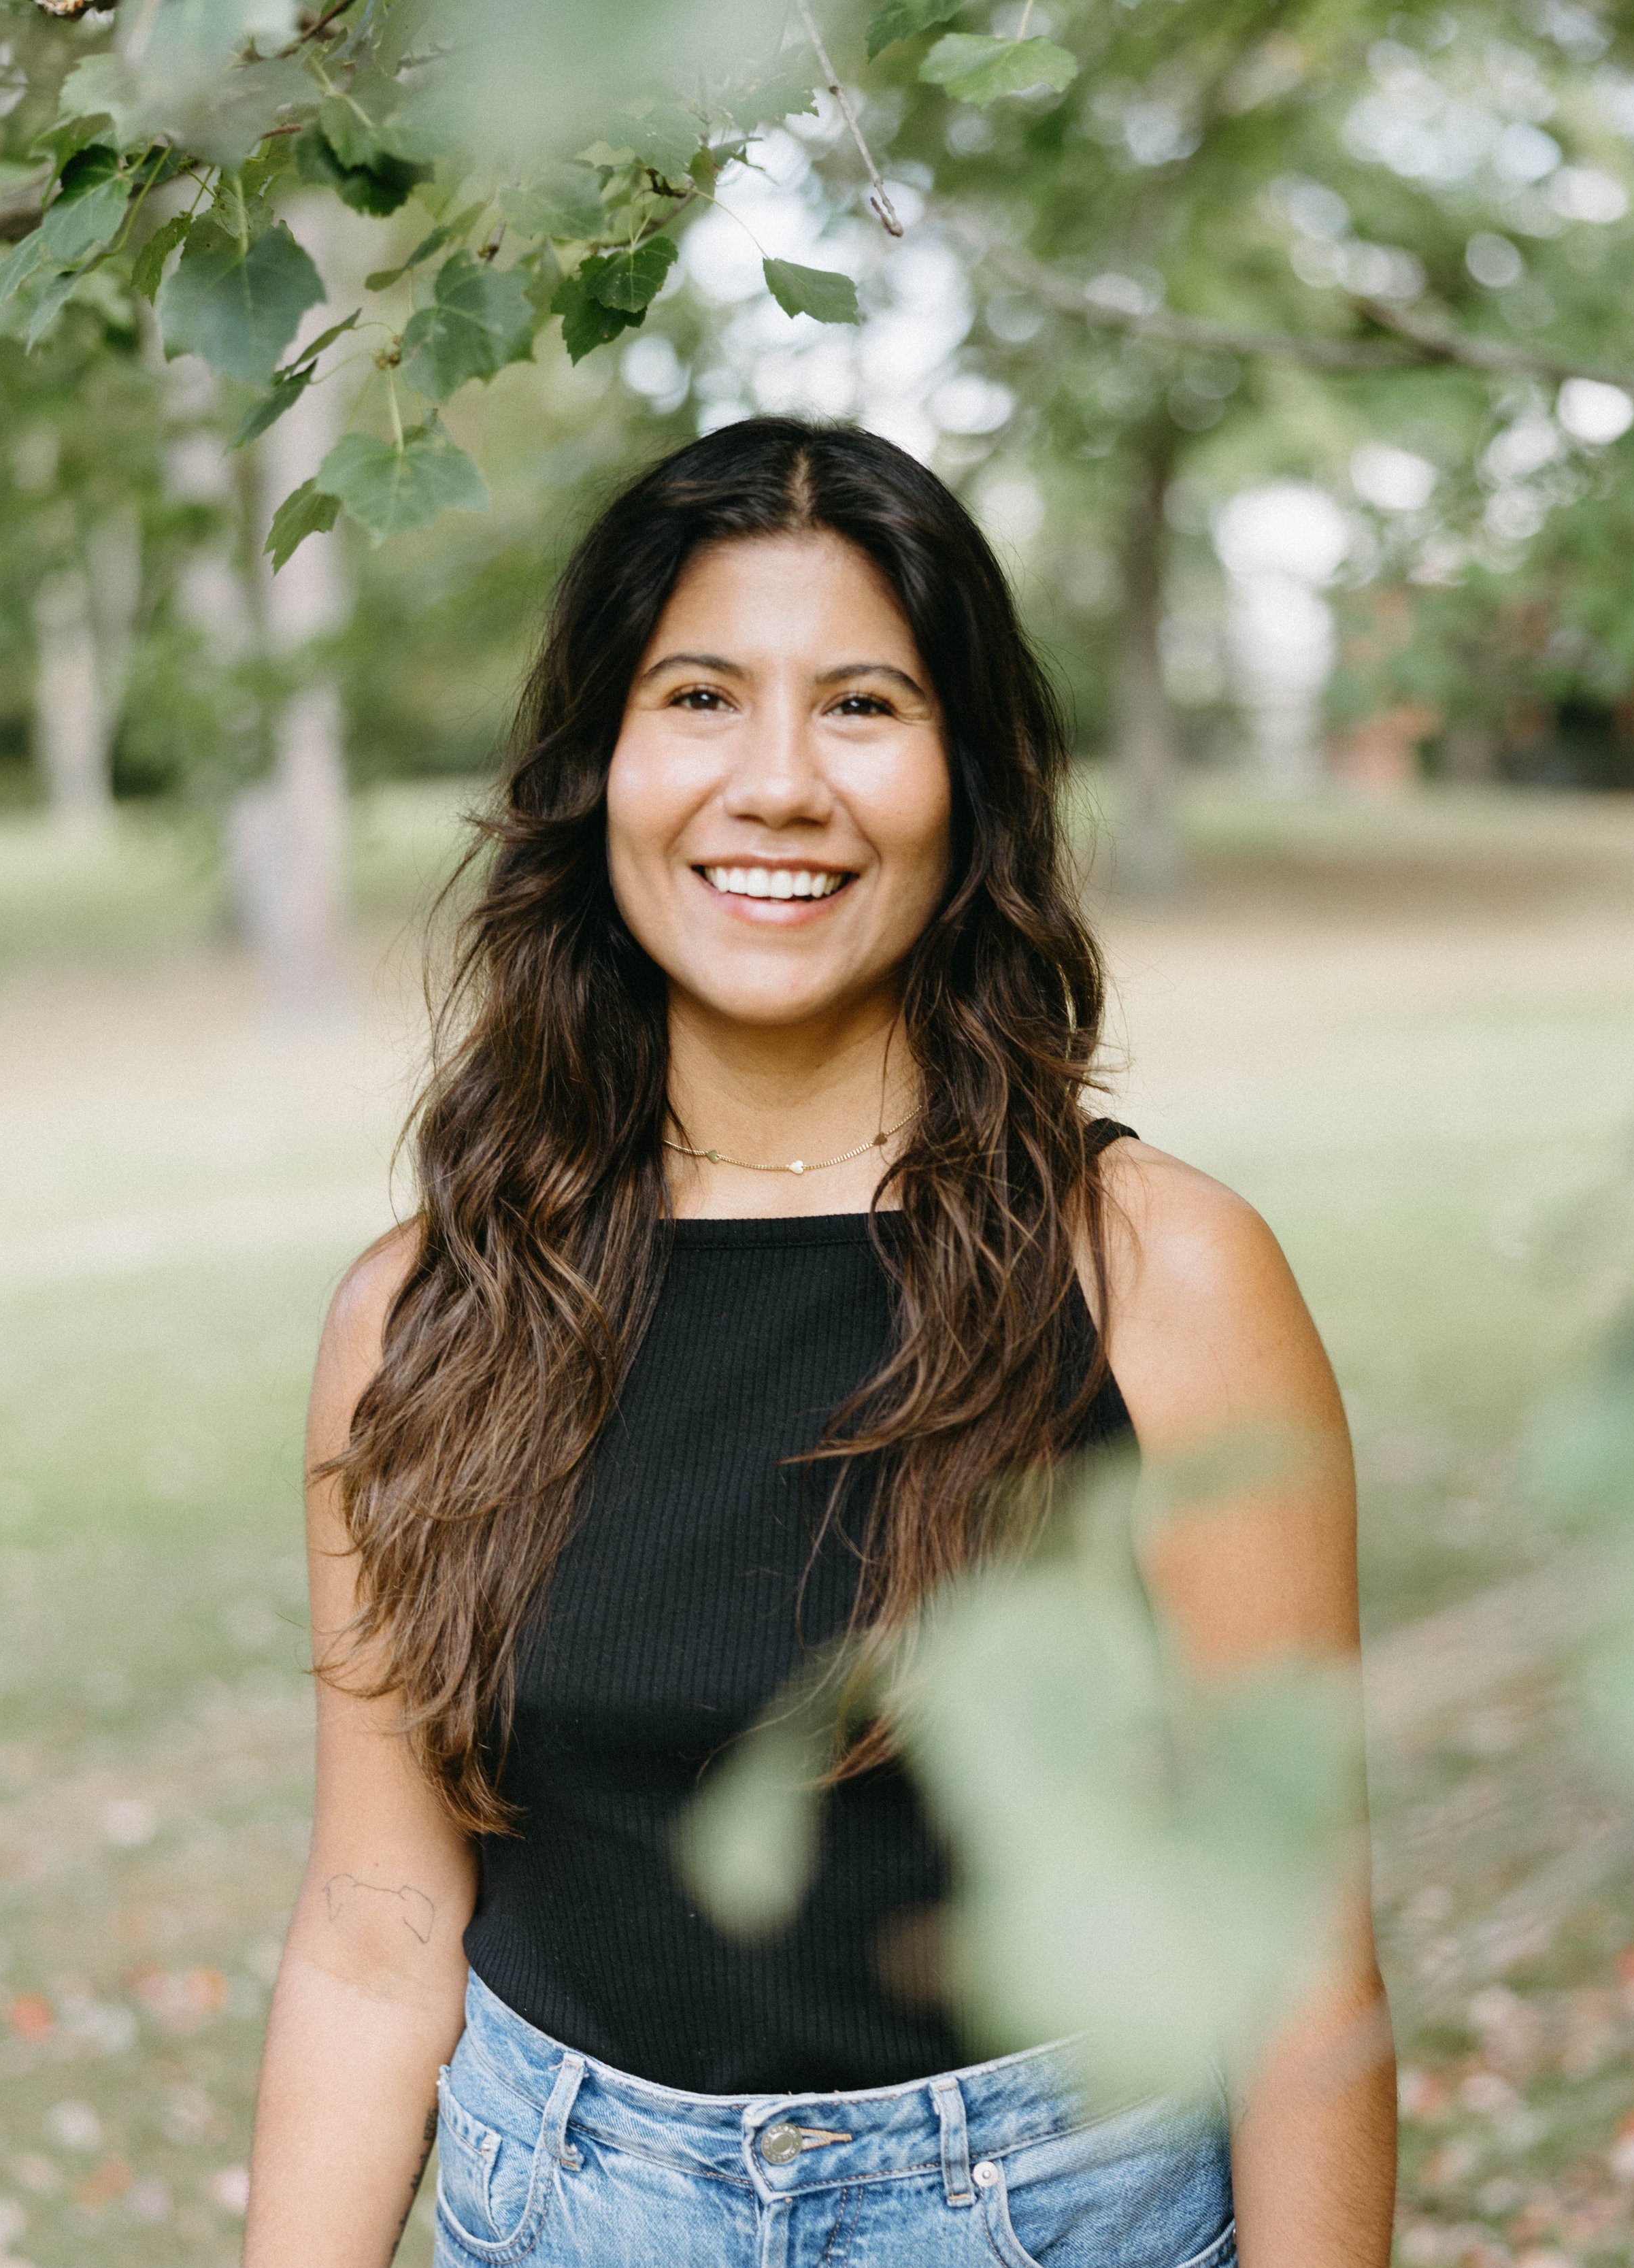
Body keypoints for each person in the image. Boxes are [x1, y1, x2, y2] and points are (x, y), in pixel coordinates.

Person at [243, 416, 1395, 2268]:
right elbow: (377, 1924)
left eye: (861, 704)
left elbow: (1292, 1960)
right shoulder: (419, 1317)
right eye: (699, 695)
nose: (774, 784)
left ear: (969, 779)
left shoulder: (1158, 1277)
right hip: (554, 2216)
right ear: (599, 763)